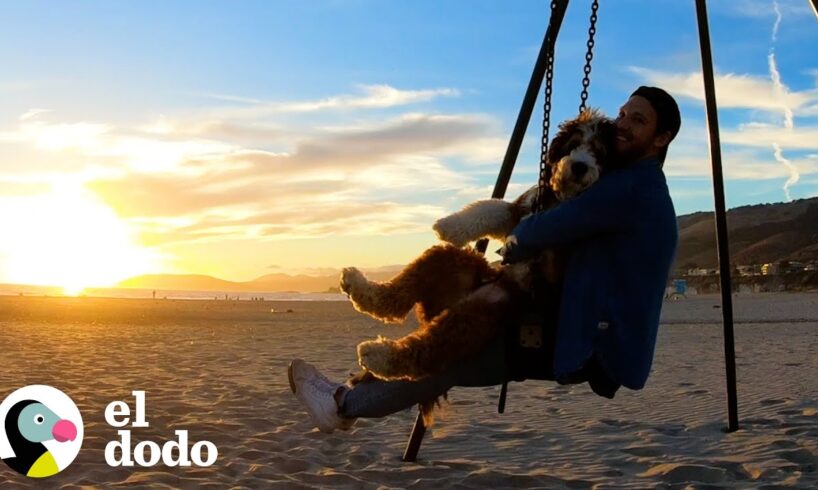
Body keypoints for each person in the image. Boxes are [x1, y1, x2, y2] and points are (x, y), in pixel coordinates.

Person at [289, 86, 681, 433]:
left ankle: (341, 406)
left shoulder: (631, 188)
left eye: (638, 120)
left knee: (447, 356)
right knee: (447, 290)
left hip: (585, 339)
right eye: (622, 114)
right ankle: (351, 382)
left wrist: (515, 243)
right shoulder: (634, 185)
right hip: (571, 319)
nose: (622, 125)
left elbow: (542, 229)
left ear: (661, 138)